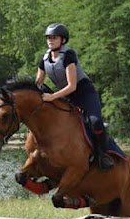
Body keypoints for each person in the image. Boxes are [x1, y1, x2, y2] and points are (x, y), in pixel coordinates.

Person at [35, 22, 114, 170]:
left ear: (63, 40)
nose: (50, 40)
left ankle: (103, 154)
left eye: (54, 37)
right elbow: (38, 82)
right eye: (48, 38)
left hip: (84, 93)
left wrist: (52, 97)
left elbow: (72, 86)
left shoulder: (68, 55)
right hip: (66, 96)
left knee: (95, 121)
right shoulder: (44, 58)